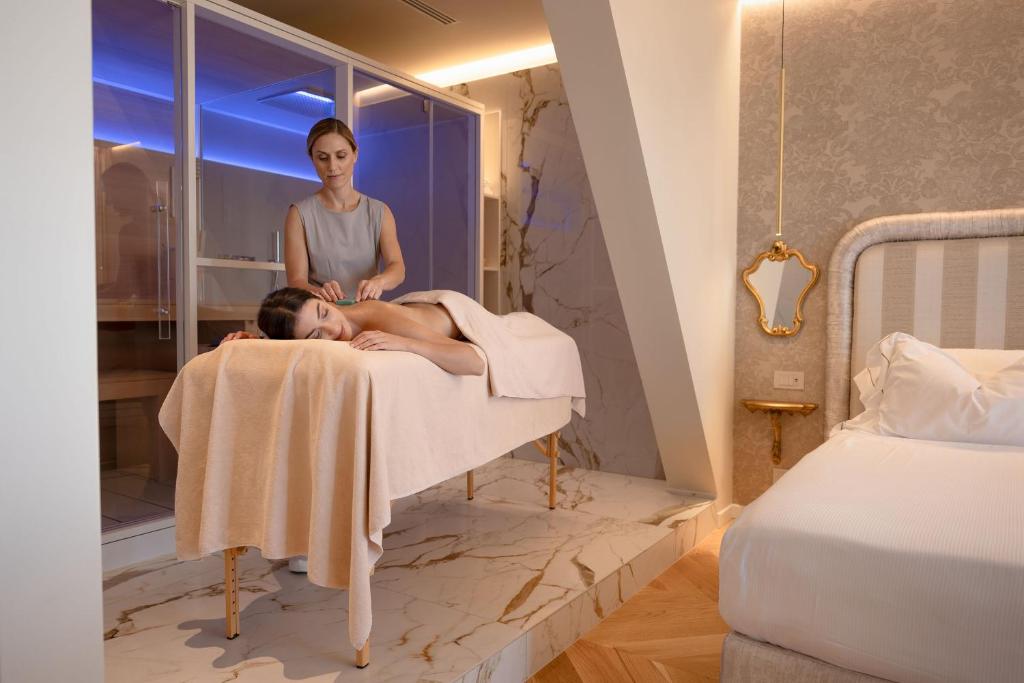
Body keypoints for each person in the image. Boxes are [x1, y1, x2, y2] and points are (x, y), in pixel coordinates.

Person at [222, 287, 484, 376]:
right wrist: (255, 342)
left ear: (321, 298)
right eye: (317, 335)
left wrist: (404, 343)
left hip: (457, 311)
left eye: (324, 313)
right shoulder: (312, 322)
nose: (334, 329)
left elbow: (473, 362)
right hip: (413, 307)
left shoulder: (379, 318)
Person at [286, 118, 405, 302]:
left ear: (355, 155)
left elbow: (397, 268)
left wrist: (379, 282)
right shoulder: (299, 214)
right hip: (323, 313)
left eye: (341, 156)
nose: (332, 167)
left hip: (368, 312)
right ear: (312, 160)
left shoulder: (379, 212)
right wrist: (320, 292)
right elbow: (296, 281)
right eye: (323, 158)